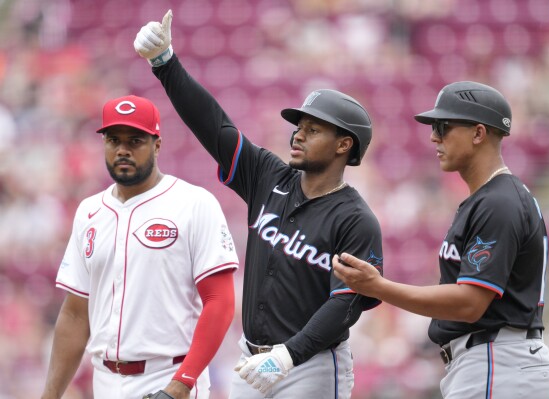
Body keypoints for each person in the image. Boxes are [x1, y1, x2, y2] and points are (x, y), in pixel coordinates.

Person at [133, 10, 384, 399]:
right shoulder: (270, 177)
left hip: (311, 366)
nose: (297, 136)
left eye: (312, 130)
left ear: (343, 144)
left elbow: (345, 307)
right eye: (298, 127)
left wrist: (288, 356)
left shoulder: (355, 219)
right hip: (250, 361)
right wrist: (165, 63)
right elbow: (214, 127)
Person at [333, 81, 549, 398]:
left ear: (479, 134)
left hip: (497, 360)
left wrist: (378, 288)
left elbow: (470, 303)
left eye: (444, 126)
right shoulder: (489, 199)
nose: (433, 136)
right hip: (490, 361)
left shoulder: (499, 202)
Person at [40, 95, 239, 399]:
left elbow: (220, 301)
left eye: (135, 140)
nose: (123, 149)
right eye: (113, 140)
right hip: (105, 380)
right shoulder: (89, 211)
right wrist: (50, 395)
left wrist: (181, 383)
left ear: (156, 144)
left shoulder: (194, 204)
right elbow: (76, 314)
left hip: (169, 376)